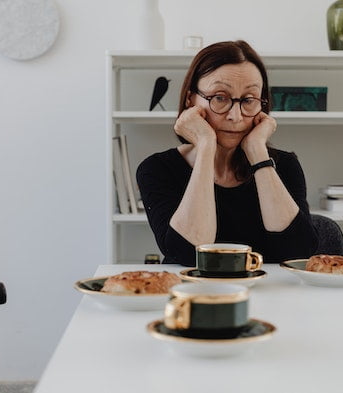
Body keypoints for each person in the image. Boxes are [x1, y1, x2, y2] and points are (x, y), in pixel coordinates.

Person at [136, 40, 318, 266]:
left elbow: (299, 252)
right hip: (190, 295)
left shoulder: (284, 165)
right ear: (190, 99)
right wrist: (205, 145)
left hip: (269, 295)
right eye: (220, 98)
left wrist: (257, 153)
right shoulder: (156, 169)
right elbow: (187, 253)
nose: (236, 116)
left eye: (249, 100)